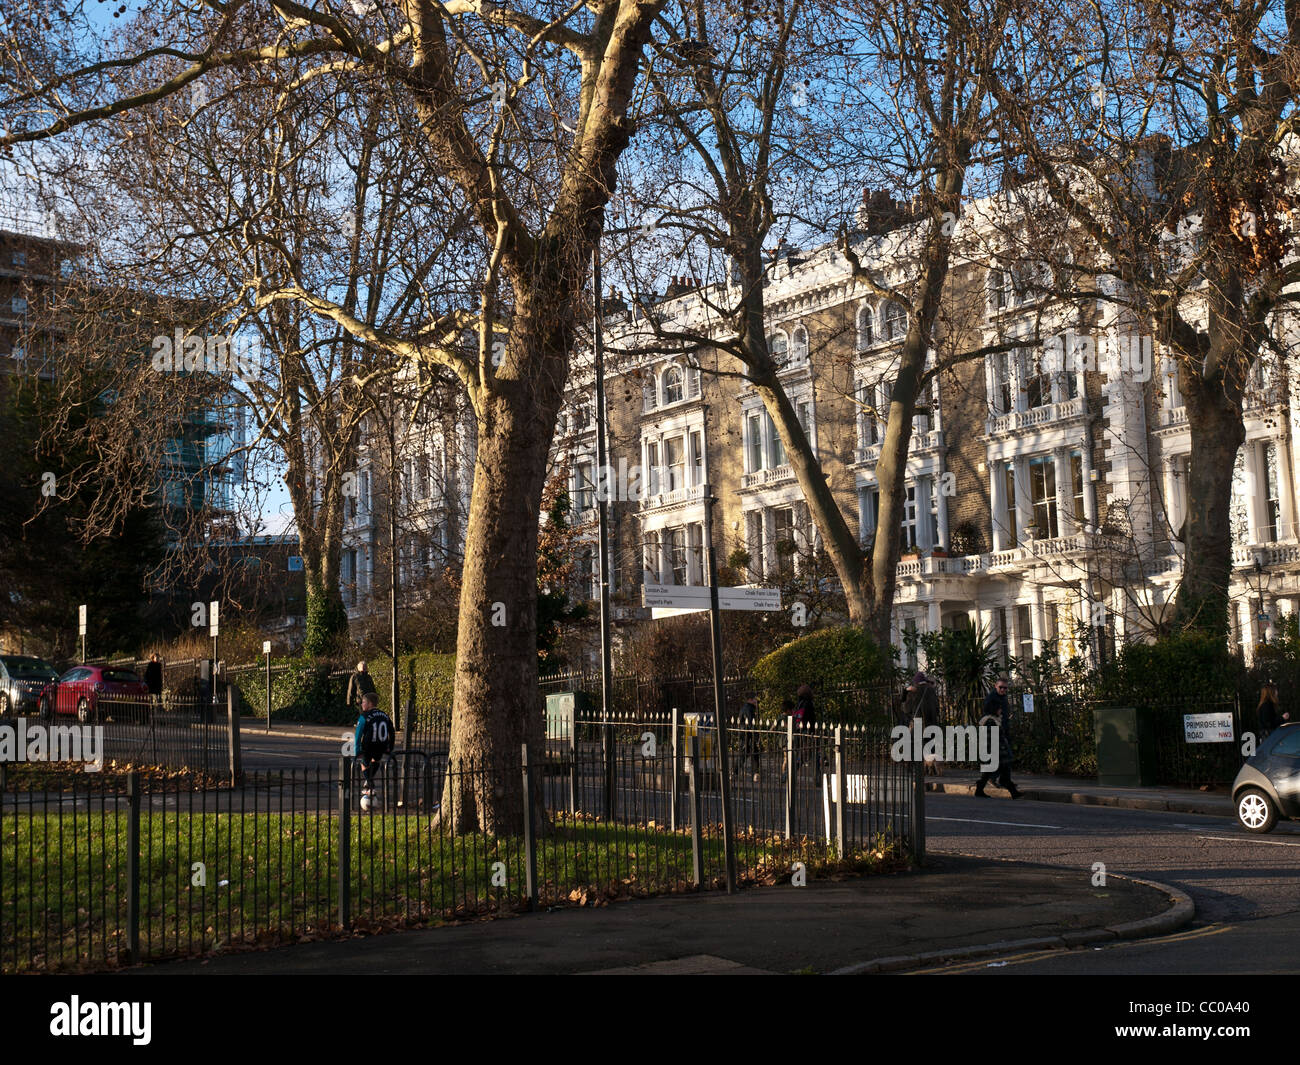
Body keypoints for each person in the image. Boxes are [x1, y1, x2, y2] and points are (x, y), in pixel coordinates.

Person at [976, 677, 1020, 799]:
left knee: (996, 766)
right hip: (997, 738)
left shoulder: (1002, 699)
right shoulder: (992, 702)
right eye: (1001, 687)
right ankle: (1008, 786)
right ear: (995, 686)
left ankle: (983, 787)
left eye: (1005, 688)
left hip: (1002, 733)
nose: (1003, 689)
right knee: (1003, 763)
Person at [354, 692, 395, 809]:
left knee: (364, 764)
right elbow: (391, 731)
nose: (362, 704)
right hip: (381, 745)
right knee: (375, 761)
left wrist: (357, 750)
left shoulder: (364, 716)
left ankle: (370, 785)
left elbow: (358, 734)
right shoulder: (384, 715)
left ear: (370, 704)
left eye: (364, 702)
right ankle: (368, 784)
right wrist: (390, 747)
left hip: (368, 746)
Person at [904, 672, 942, 776]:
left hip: (918, 724)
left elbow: (907, 709)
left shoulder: (913, 691)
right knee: (930, 746)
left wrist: (906, 693)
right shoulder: (931, 690)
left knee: (914, 746)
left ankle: (915, 768)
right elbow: (937, 708)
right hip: (932, 723)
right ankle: (932, 768)